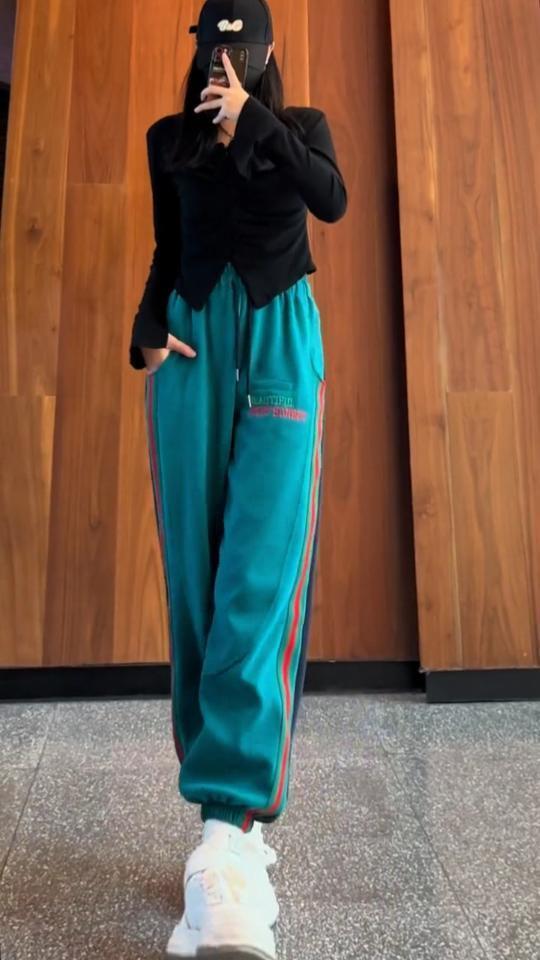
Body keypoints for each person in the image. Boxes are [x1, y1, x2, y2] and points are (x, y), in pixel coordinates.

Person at [128, 1, 347, 956]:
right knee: (196, 573)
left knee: (260, 574)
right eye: (213, 46)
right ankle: (225, 819)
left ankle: (227, 829)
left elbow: (330, 201)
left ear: (265, 51)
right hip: (190, 348)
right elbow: (166, 248)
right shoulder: (167, 140)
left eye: (241, 45)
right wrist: (146, 327)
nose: (224, 59)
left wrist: (253, 120)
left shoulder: (298, 128)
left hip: (279, 341)